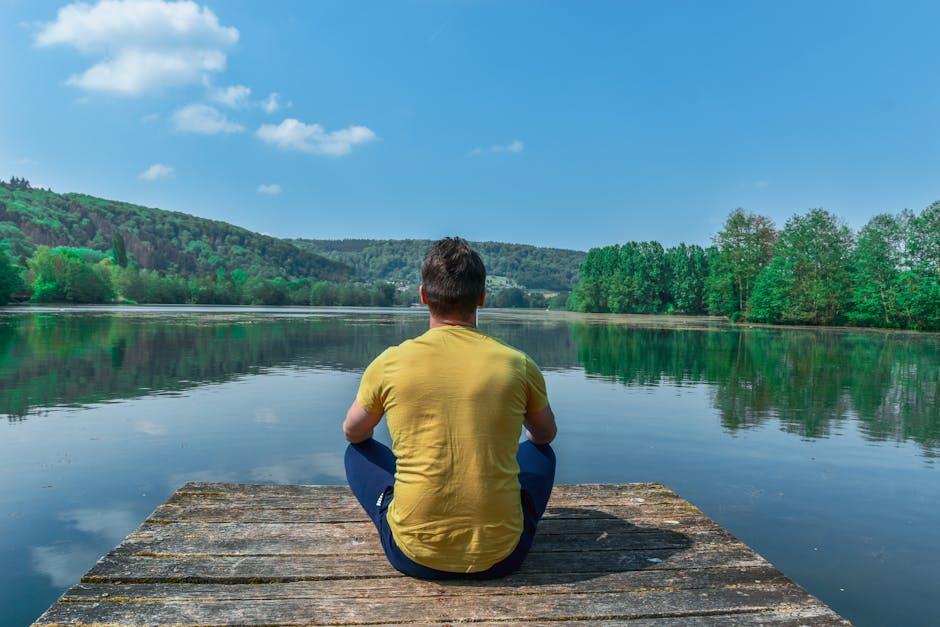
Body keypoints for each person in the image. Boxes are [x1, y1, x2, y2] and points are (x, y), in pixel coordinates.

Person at [342, 237, 558, 579]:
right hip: (504, 557)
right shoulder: (517, 364)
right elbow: (545, 435)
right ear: (482, 297)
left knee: (356, 452)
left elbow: (353, 432)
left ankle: (404, 510)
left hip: (412, 555)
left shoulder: (390, 362)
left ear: (423, 295)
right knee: (540, 453)